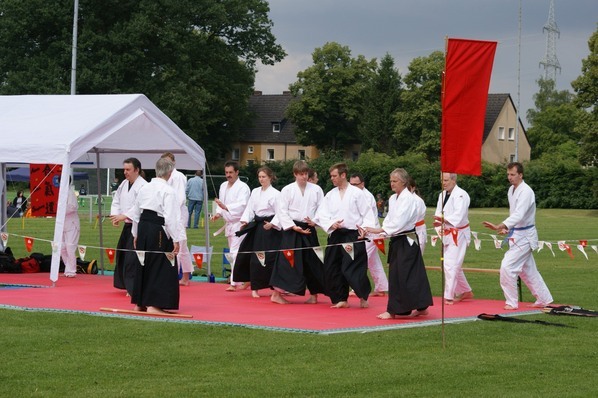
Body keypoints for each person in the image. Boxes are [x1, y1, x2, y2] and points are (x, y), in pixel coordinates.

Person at [360, 168, 433, 319]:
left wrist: (380, 230)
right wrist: (376, 231)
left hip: (407, 239)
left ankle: (396, 309)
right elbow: (389, 219)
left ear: (404, 182)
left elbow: (400, 221)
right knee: (403, 274)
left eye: (395, 181)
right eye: (391, 181)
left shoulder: (409, 199)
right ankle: (418, 306)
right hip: (397, 238)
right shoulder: (393, 198)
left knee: (405, 274)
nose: (392, 184)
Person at [483, 162, 553, 310]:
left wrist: (501, 225)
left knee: (507, 267)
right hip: (517, 233)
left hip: (526, 236)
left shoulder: (526, 191)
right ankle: (544, 299)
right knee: (527, 271)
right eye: (508, 174)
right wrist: (508, 229)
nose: (509, 177)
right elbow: (514, 215)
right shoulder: (511, 190)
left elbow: (520, 214)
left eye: (513, 174)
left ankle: (512, 302)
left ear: (520, 175)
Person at [315, 163, 377, 309]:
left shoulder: (357, 193)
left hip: (352, 234)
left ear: (343, 175)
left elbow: (367, 214)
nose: (332, 179)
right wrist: (331, 223)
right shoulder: (330, 194)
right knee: (332, 266)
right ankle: (341, 298)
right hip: (336, 234)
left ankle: (363, 296)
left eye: (334, 176)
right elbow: (321, 215)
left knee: (352, 267)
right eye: (331, 176)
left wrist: (364, 229)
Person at [126, 157, 183, 314]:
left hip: (143, 227)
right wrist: (176, 239)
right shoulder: (168, 191)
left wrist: (136, 233)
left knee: (143, 263)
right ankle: (152, 305)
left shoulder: (145, 188)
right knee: (159, 264)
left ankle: (139, 303)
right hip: (158, 228)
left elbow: (136, 213)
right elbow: (171, 218)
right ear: (170, 172)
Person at [269, 160, 326, 304]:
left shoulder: (316, 190)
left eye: (306, 174)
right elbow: (282, 211)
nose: (304, 177)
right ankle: (276, 294)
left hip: (308, 227)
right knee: (287, 261)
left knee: (313, 261)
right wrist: (293, 226)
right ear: (295, 174)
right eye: (301, 174)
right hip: (292, 229)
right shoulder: (287, 190)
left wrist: (315, 221)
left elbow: (322, 209)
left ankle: (314, 295)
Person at [233, 166, 282, 298]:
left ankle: (276, 287)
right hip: (257, 227)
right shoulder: (255, 191)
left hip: (271, 228)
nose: (261, 179)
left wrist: (272, 224)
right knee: (255, 258)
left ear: (270, 177)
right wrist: (244, 221)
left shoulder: (277, 194)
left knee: (271, 257)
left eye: (264, 177)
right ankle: (255, 288)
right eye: (259, 177)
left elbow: (280, 212)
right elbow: (249, 209)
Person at [433, 173, 474, 305]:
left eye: (446, 180)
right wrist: (440, 223)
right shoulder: (442, 195)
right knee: (454, 264)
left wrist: (444, 220)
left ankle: (449, 296)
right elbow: (438, 213)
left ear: (453, 180)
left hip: (459, 233)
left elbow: (459, 215)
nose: (443, 183)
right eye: (442, 180)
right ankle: (466, 291)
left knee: (450, 264)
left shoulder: (461, 195)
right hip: (446, 231)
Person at [109, 158, 147, 295]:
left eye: (128, 170)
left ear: (137, 170)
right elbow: (116, 201)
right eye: (124, 169)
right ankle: (124, 284)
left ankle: (133, 288)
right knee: (122, 254)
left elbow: (139, 207)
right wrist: (115, 216)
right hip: (127, 225)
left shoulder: (143, 186)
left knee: (132, 258)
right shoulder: (124, 184)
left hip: (138, 226)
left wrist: (124, 215)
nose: (125, 172)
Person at [211, 160, 251, 291]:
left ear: (237, 172)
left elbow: (243, 205)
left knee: (234, 253)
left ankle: (234, 283)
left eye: (231, 172)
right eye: (226, 172)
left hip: (240, 223)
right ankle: (246, 279)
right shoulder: (223, 185)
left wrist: (226, 207)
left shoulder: (243, 187)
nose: (228, 175)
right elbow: (221, 203)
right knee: (235, 253)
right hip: (229, 223)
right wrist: (218, 213)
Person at [349, 173, 388, 296]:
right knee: (373, 261)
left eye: (355, 184)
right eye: (351, 184)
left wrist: (363, 230)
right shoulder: (355, 194)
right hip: (366, 232)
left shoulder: (366, 196)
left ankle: (357, 287)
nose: (353, 187)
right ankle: (381, 288)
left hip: (370, 233)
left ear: (362, 184)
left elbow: (367, 217)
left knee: (360, 258)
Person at [161, 152, 193, 286]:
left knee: (179, 245)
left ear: (173, 162)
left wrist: (169, 210)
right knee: (182, 247)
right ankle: (185, 276)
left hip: (178, 214)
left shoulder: (178, 177)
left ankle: (175, 275)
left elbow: (180, 198)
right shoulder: (164, 177)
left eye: (169, 162)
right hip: (168, 214)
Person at [61, 178, 81, 278]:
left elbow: (72, 207)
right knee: (62, 248)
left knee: (70, 247)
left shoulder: (70, 193)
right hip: (62, 224)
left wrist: (61, 209)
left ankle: (72, 270)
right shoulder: (60, 192)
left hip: (72, 224)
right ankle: (68, 267)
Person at [408, 177, 427, 255]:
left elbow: (413, 217)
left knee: (416, 257)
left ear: (413, 188)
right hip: (405, 232)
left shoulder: (418, 201)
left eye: (408, 188)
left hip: (417, 231)